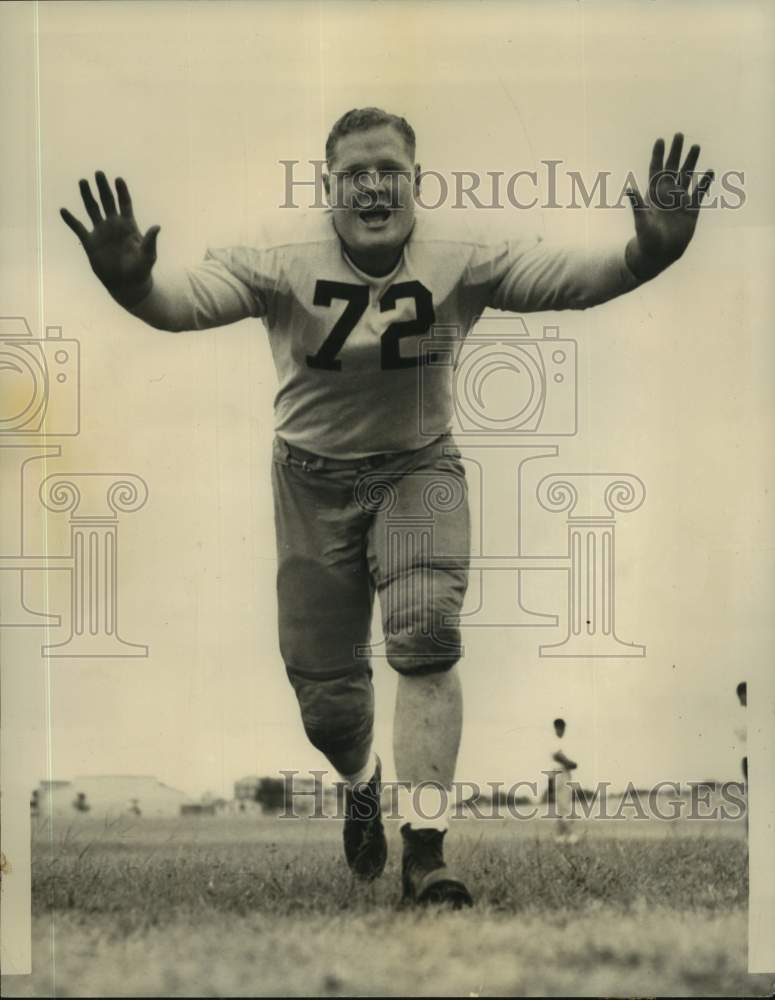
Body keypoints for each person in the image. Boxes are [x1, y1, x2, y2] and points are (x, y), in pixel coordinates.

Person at [61, 107, 713, 907]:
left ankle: (426, 851)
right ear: (328, 185)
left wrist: (647, 256)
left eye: (388, 171)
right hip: (310, 480)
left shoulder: (460, 252)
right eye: (354, 173)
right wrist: (131, 283)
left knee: (427, 637)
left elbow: (568, 283)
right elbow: (181, 303)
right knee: (328, 704)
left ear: (415, 180)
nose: (372, 186)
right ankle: (360, 780)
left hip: (418, 466)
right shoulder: (280, 254)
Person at [547, 717, 578, 843]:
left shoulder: (558, 741)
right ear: (556, 728)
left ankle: (560, 835)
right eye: (560, 728)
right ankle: (570, 835)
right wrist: (570, 763)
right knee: (564, 805)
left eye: (562, 728)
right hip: (560, 774)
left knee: (561, 806)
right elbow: (558, 756)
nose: (561, 730)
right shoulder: (555, 741)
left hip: (560, 774)